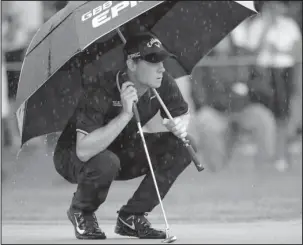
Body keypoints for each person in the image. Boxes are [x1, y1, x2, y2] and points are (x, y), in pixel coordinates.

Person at [53, 33, 192, 240]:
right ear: (131, 64)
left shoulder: (162, 82)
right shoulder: (101, 88)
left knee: (183, 146)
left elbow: (181, 113)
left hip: (120, 150)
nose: (162, 68)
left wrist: (178, 124)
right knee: (107, 161)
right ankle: (82, 211)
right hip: (74, 155)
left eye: (162, 60)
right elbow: (83, 151)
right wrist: (125, 114)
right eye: (153, 61)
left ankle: (132, 217)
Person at [191, 34, 277, 172]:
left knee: (264, 118)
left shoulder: (243, 54)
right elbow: (199, 92)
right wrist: (224, 98)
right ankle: (217, 169)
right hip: (216, 111)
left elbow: (263, 85)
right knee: (203, 120)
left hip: (245, 108)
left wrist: (248, 87)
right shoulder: (204, 59)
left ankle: (265, 168)